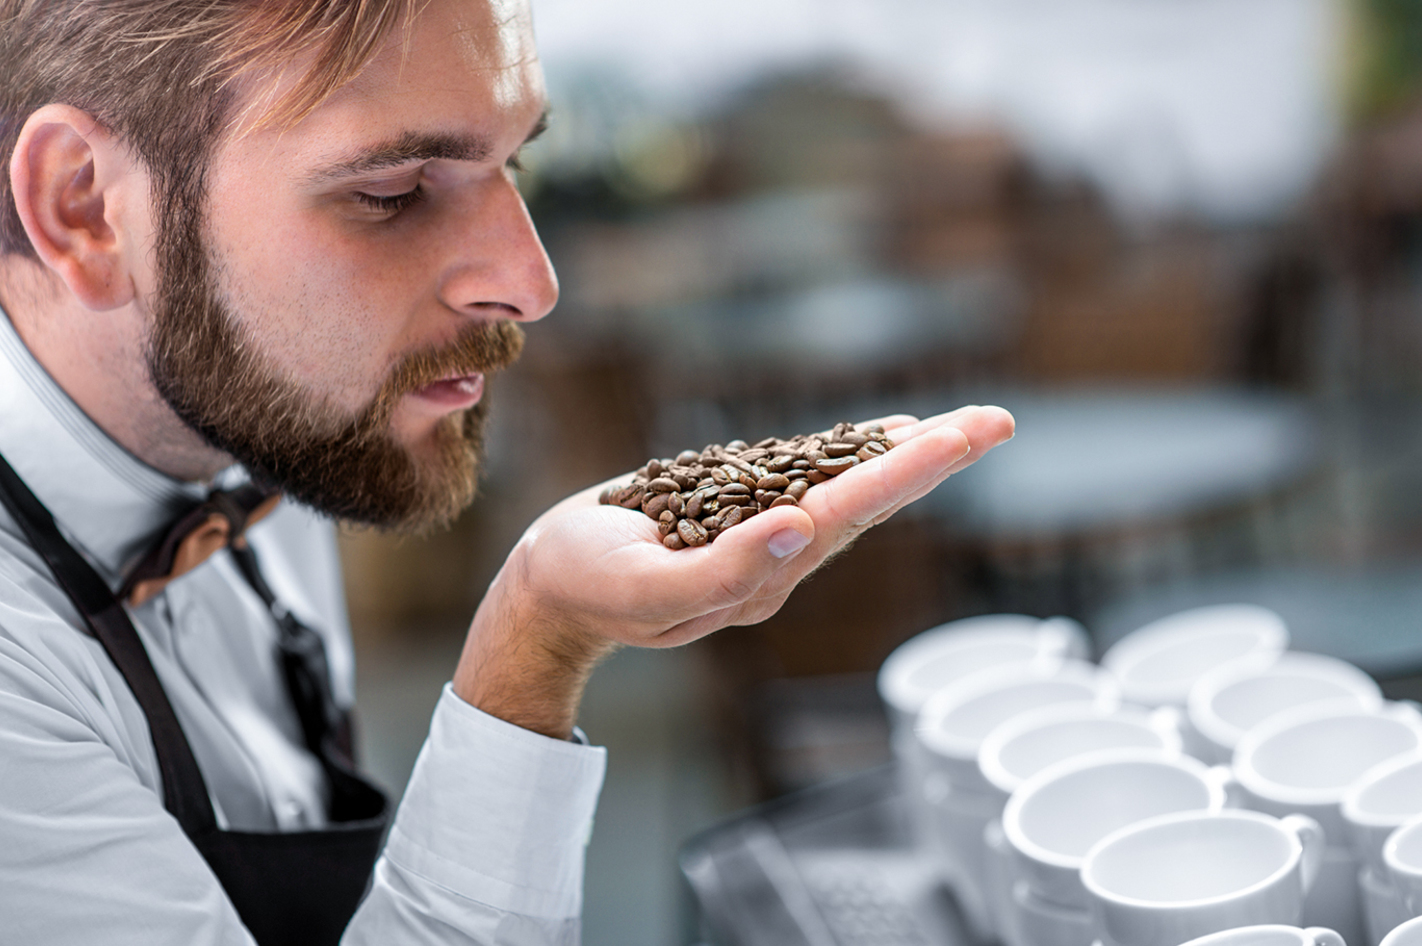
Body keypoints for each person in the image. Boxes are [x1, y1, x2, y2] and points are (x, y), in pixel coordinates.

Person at [0, 0, 1015, 943]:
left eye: (513, 164)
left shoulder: (263, 423)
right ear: (85, 205)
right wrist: (531, 649)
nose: (532, 286)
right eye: (390, 194)